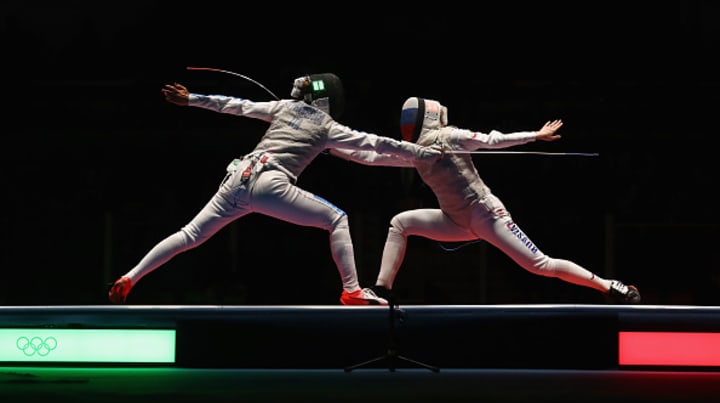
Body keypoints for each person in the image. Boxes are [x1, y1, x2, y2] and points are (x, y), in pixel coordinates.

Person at [107, 75, 442, 306]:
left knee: (189, 234)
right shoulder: (328, 126)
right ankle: (351, 290)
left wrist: (192, 98)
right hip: (271, 183)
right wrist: (420, 154)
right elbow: (375, 144)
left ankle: (130, 277)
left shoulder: (283, 107)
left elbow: (235, 105)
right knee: (337, 219)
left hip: (238, 178)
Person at [331, 96, 641, 304]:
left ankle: (608, 285)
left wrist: (534, 135)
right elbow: (371, 157)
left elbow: (492, 140)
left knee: (540, 264)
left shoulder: (450, 137)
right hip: (454, 221)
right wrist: (331, 146)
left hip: (487, 215)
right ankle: (382, 290)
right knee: (400, 223)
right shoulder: (416, 153)